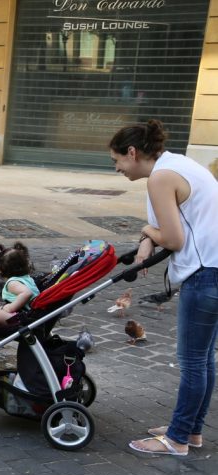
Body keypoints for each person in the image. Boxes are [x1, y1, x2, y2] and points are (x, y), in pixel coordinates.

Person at [109, 120, 218, 457]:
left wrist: (145, 230)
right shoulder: (177, 164)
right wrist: (146, 239)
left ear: (132, 152)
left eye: (117, 160)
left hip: (205, 275)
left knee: (192, 362)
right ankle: (191, 431)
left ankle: (177, 439)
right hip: (214, 270)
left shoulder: (160, 177)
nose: (116, 168)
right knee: (204, 361)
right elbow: (172, 222)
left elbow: (172, 237)